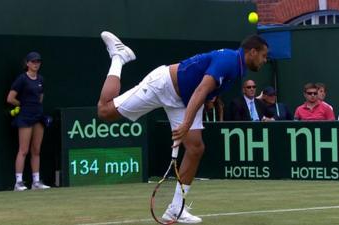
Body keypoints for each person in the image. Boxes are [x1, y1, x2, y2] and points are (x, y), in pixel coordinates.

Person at [96, 31, 268, 223]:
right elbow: (201, 89)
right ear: (252, 52)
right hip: (163, 85)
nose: (265, 60)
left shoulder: (238, 67)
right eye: (264, 56)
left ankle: (176, 209)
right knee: (105, 111)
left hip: (183, 100)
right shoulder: (229, 60)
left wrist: (209, 101)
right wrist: (186, 123)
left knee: (195, 148)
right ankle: (119, 57)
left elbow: (206, 90)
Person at [6, 52, 51, 191]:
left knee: (36, 150)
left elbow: (40, 97)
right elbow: (10, 98)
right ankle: (18, 183)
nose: (36, 64)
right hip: (25, 116)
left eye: (38, 61)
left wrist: (35, 107)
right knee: (23, 150)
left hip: (38, 115)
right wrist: (22, 104)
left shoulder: (41, 79)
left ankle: (36, 182)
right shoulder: (22, 79)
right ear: (27, 63)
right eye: (33, 62)